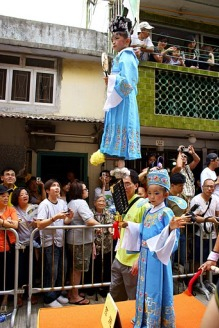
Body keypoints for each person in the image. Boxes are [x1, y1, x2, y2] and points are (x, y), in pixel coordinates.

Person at [122, 169, 186, 327]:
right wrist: (128, 225)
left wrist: (171, 229)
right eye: (149, 193)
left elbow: (173, 240)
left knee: (154, 289)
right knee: (143, 288)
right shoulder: (147, 212)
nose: (151, 196)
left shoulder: (166, 212)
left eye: (156, 193)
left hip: (157, 258)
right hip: (145, 256)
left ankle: (154, 322)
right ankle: (142, 318)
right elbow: (143, 232)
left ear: (165, 194)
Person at [90, 15, 141, 165]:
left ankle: (120, 164)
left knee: (122, 129)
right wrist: (111, 81)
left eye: (117, 38)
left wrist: (111, 80)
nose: (113, 41)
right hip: (120, 98)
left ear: (127, 41)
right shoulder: (121, 56)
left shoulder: (127, 56)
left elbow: (128, 83)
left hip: (123, 99)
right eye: (113, 38)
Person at [110, 169, 150, 302]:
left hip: (133, 260)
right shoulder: (121, 204)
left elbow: (149, 232)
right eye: (122, 184)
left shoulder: (144, 205)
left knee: (135, 298)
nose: (124, 187)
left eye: (128, 184)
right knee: (115, 296)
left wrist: (139, 259)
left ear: (136, 185)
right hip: (119, 256)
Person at [36, 179, 73, 308]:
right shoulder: (44, 204)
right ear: (47, 190)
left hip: (61, 240)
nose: (57, 188)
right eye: (53, 186)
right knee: (51, 271)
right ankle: (48, 298)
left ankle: (56, 295)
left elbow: (65, 222)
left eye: (58, 185)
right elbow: (39, 224)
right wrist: (54, 218)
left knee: (62, 269)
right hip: (49, 242)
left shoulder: (62, 203)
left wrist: (70, 217)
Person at [66, 180, 100, 305]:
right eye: (85, 189)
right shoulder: (81, 203)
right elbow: (89, 221)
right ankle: (74, 296)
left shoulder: (71, 202)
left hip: (74, 239)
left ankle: (72, 292)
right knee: (78, 269)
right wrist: (103, 225)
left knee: (74, 267)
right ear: (79, 191)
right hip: (80, 241)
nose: (87, 191)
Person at [190, 178, 219, 289]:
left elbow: (218, 215)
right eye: (207, 186)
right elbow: (192, 217)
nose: (210, 189)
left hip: (213, 234)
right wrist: (208, 220)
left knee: (210, 259)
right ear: (202, 187)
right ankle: (197, 280)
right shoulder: (196, 199)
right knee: (198, 258)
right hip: (199, 233)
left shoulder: (216, 199)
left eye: (212, 186)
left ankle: (208, 281)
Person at [11, 187, 39, 307]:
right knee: (19, 271)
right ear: (17, 197)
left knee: (32, 269)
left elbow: (40, 223)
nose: (25, 196)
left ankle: (31, 293)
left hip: (33, 244)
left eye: (26, 194)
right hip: (19, 245)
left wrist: (36, 222)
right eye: (21, 194)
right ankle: (19, 295)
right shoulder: (13, 210)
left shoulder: (34, 208)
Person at [90, 194, 114, 297]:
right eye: (99, 201)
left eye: (103, 201)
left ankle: (105, 288)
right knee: (95, 266)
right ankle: (92, 288)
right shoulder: (90, 213)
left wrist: (111, 230)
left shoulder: (108, 213)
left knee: (107, 266)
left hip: (106, 244)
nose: (101, 203)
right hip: (94, 245)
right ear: (95, 203)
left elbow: (110, 225)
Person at [0, 185, 19, 313]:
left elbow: (15, 224)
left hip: (8, 247)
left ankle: (5, 300)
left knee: (7, 274)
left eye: (7, 196)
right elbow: (11, 224)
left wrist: (1, 222)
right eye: (3, 196)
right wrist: (6, 222)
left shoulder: (11, 209)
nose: (6, 198)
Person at [167, 173, 188, 268]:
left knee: (181, 259)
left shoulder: (183, 197)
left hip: (182, 232)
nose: (182, 188)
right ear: (172, 185)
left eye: (183, 185)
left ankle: (179, 281)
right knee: (170, 259)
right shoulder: (166, 198)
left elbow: (187, 210)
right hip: (170, 233)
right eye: (180, 186)